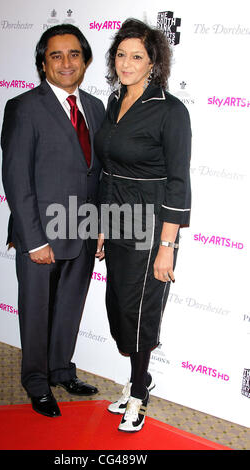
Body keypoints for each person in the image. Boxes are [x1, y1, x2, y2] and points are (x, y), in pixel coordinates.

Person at [1, 24, 105, 418]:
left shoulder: (95, 108)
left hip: (80, 231)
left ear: (85, 59)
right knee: (37, 310)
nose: (66, 62)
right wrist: (33, 239)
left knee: (68, 308)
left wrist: (98, 226)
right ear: (43, 62)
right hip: (40, 234)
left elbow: (96, 173)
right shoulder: (24, 106)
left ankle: (62, 370)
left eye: (74, 54)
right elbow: (15, 177)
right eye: (56, 55)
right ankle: (37, 382)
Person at [94, 18, 191, 432]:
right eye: (121, 54)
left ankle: (138, 392)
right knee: (117, 306)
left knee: (139, 311)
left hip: (150, 226)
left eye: (137, 56)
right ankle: (140, 376)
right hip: (115, 219)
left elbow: (178, 182)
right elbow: (107, 170)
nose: (127, 63)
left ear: (154, 62)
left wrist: (167, 245)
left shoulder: (171, 110)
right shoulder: (114, 102)